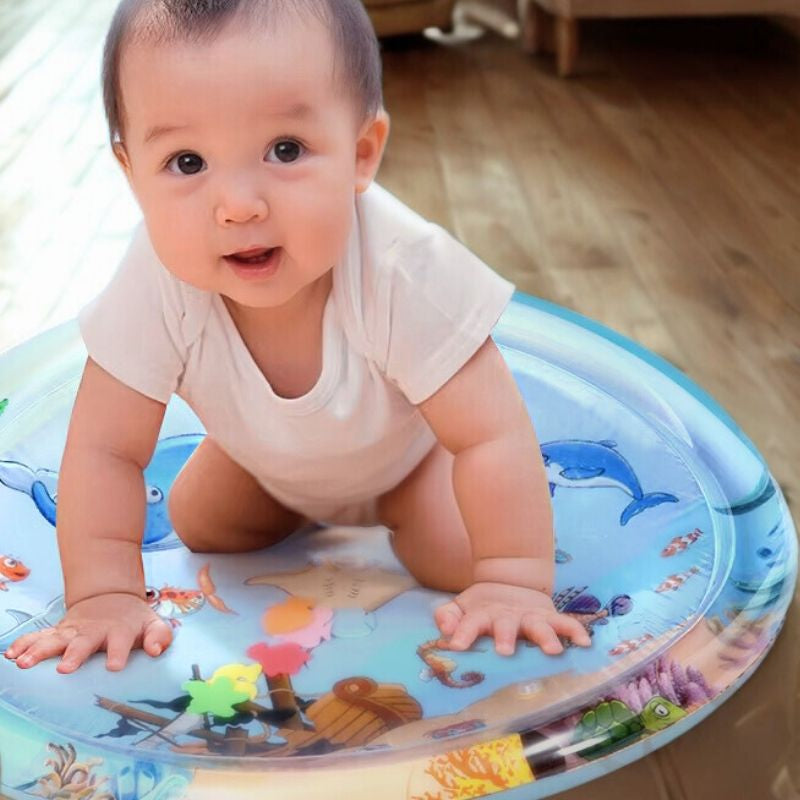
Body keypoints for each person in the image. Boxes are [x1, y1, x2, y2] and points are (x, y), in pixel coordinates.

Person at [5, 0, 590, 674]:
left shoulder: (400, 269)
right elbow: (105, 449)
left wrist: (514, 578)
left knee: (457, 555)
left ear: (361, 155)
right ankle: (286, 496)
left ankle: (446, 534)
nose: (239, 204)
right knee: (201, 525)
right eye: (187, 162)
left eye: (285, 150)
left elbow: (490, 433)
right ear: (131, 173)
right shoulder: (155, 280)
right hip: (263, 467)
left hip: (408, 464)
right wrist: (104, 594)